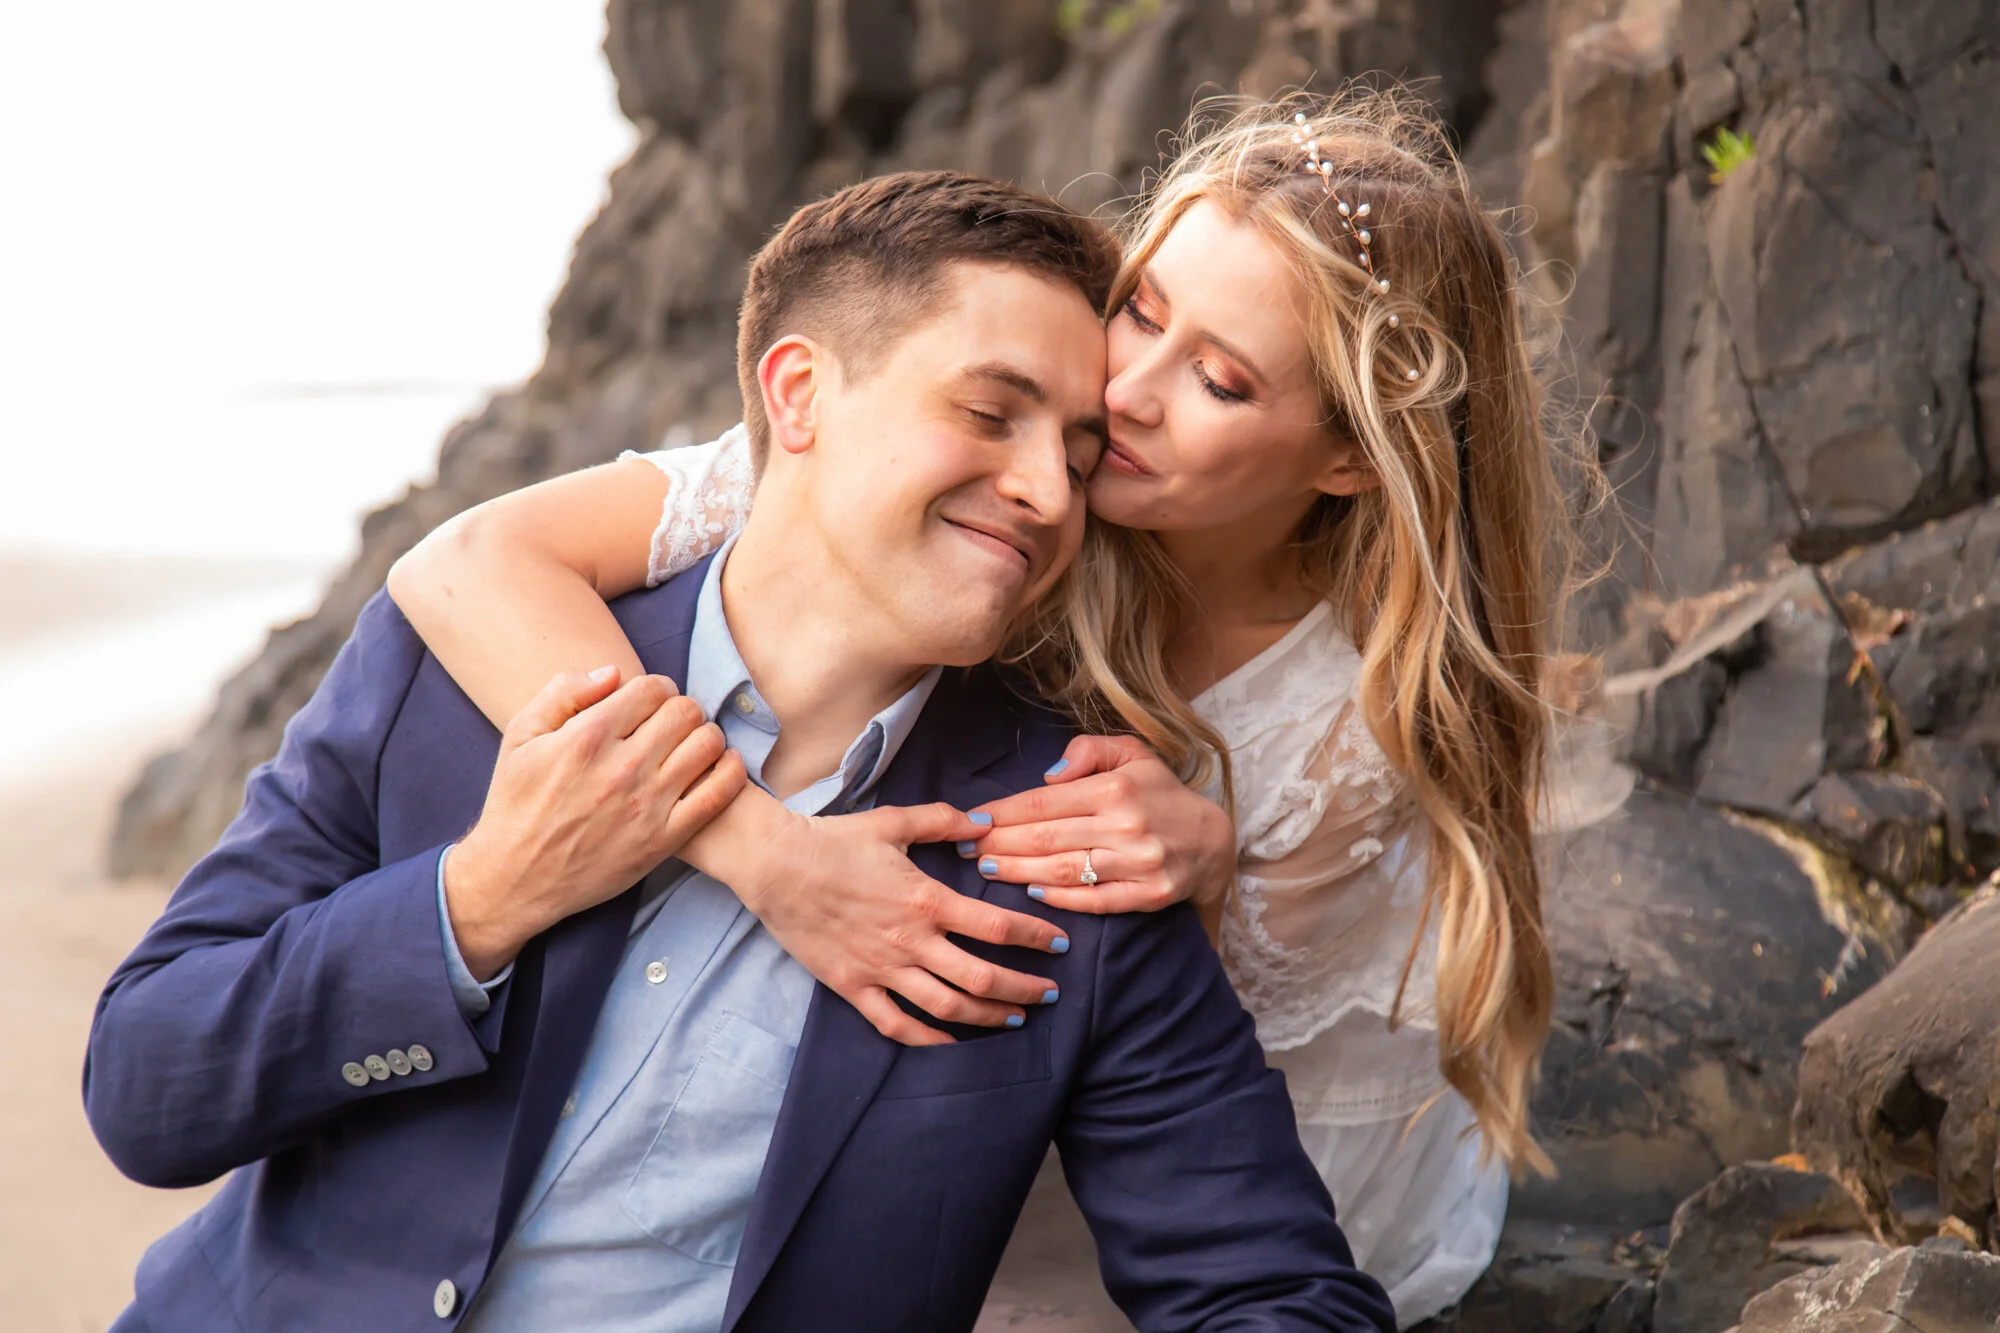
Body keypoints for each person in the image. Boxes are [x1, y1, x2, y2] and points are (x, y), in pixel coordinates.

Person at [85, 171, 1397, 1333]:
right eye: (991, 414)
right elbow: (149, 1087)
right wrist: (479, 903)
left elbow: (1269, 1287)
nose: (1052, 493)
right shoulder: (461, 670)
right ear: (800, 392)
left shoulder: (1070, 842)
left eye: (1081, 448)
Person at [389, 91, 1580, 1326]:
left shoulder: (1349, 719)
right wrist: (765, 852)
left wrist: (1214, 870)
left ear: (1346, 458)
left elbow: (1176, 1077)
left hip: (1169, 1172)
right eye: (1141, 312)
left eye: (1219, 381)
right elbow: (463, 565)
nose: (1127, 394)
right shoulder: (915, 467)